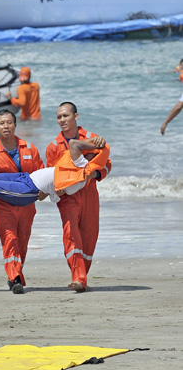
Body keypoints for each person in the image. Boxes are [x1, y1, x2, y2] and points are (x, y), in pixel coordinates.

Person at [46, 102, 112, 292]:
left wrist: (96, 174)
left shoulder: (93, 139)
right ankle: (78, 277)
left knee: (89, 235)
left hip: (90, 193)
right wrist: (54, 189)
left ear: (76, 116)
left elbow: (107, 165)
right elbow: (52, 174)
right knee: (71, 233)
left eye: (65, 116)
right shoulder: (53, 147)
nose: (62, 120)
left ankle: (82, 275)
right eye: (59, 117)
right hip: (67, 197)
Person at [0, 109, 43, 294]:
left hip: (27, 204)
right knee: (10, 238)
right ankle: (15, 278)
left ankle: (15, 275)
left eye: (9, 122)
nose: (6, 126)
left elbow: (41, 173)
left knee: (22, 240)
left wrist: (45, 191)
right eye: (2, 123)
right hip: (2, 204)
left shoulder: (30, 149)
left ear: (15, 125)